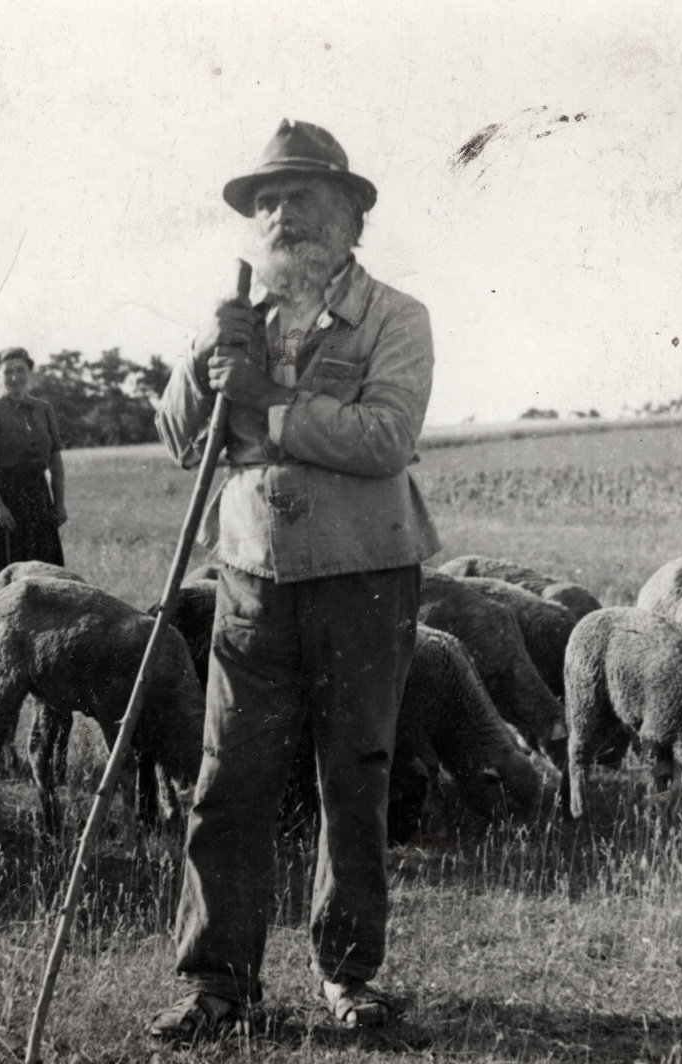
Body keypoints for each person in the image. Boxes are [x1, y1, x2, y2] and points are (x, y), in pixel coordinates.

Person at [150, 118, 441, 1039]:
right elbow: (175, 437)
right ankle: (218, 987)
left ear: (350, 217)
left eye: (301, 197)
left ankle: (348, 978)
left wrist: (268, 405)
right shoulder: (237, 321)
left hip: (364, 578)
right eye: (266, 201)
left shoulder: (397, 318)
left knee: (353, 779)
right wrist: (204, 365)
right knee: (229, 778)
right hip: (250, 578)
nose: (280, 215)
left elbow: (385, 438)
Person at [0, 347, 67, 577]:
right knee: (8, 573)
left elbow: (55, 460)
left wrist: (59, 503)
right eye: (8, 372)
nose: (15, 377)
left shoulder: (44, 409)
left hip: (39, 496)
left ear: (29, 372)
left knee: (48, 571)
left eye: (21, 370)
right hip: (5, 498)